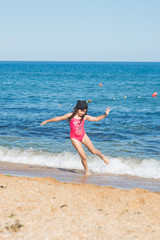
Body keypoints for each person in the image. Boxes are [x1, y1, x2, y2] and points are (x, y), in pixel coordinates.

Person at [41, 100, 111, 175]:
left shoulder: (85, 117)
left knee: (93, 151)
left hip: (83, 135)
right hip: (74, 138)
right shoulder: (70, 115)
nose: (83, 113)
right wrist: (47, 121)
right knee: (83, 156)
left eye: (85, 111)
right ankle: (86, 170)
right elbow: (59, 118)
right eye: (82, 111)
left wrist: (105, 114)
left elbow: (96, 119)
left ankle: (102, 157)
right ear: (77, 109)